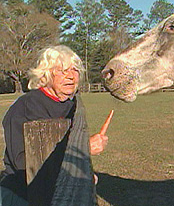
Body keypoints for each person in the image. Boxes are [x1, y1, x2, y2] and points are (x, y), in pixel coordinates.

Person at [0, 45, 108, 206]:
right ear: (45, 74)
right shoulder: (25, 107)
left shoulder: (72, 105)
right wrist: (83, 149)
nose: (71, 76)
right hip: (23, 194)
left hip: (59, 191)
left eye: (75, 70)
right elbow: (22, 163)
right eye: (62, 70)